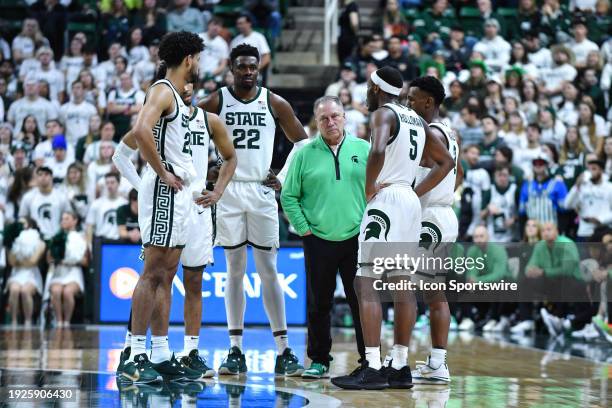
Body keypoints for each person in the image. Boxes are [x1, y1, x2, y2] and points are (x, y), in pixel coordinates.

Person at [331, 66, 453, 390]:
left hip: (387, 199)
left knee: (365, 282)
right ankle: (400, 365)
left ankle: (371, 365)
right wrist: (415, 191)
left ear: (374, 88)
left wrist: (370, 187)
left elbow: (378, 150)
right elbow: (447, 163)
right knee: (403, 285)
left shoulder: (384, 114)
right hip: (411, 203)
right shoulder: (416, 118)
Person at [114, 80, 236, 379]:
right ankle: (134, 348)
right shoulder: (158, 118)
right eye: (183, 82)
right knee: (156, 274)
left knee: (192, 281)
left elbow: (231, 157)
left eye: (192, 83)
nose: (187, 87)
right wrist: (143, 187)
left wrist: (217, 191)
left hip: (197, 206)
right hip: (166, 200)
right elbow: (120, 155)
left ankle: (189, 352)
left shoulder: (209, 120)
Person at [198, 43, 307, 377]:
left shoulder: (273, 101)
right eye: (242, 67)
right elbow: (189, 133)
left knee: (268, 269)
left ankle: (284, 349)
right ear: (231, 68)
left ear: (259, 69)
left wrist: (284, 176)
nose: (248, 72)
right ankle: (235, 350)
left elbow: (302, 142)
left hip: (260, 190)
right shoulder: (217, 100)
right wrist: (205, 172)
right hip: (228, 192)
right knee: (234, 270)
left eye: (253, 67)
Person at [117, 31, 205, 385]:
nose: (198, 65)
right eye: (197, 58)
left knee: (168, 275)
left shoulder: (179, 99)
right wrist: (162, 172)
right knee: (153, 273)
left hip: (179, 193)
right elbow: (140, 131)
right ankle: (135, 353)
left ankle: (159, 352)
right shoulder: (162, 90)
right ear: (187, 59)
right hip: (166, 192)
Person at [280, 96, 369, 379]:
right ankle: (319, 359)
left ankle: (369, 358)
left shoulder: (364, 149)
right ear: (316, 123)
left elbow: (377, 190)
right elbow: (288, 196)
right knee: (319, 303)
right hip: (317, 238)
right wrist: (304, 229)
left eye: (335, 116)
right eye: (323, 118)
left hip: (356, 238)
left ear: (344, 117)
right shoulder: (304, 154)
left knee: (361, 302)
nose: (330, 122)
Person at [406, 76, 462, 386]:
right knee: (432, 291)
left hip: (430, 219)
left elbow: (443, 164)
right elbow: (458, 172)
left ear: (429, 102)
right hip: (443, 215)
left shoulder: (429, 133)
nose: (408, 103)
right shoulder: (452, 133)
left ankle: (429, 362)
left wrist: (413, 195)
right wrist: (441, 196)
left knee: (425, 291)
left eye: (413, 99)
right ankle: (436, 362)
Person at [46, 211, 88, 327]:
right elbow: (48, 258)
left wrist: (73, 260)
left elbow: (86, 261)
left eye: (67, 218)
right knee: (56, 291)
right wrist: (56, 255)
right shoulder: (56, 237)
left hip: (74, 271)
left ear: (75, 221)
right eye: (62, 219)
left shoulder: (81, 237)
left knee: (67, 292)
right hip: (59, 271)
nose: (63, 221)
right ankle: (59, 321)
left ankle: (67, 322)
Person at [5, 218, 46, 327]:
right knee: (14, 290)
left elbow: (33, 261)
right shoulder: (12, 241)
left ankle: (28, 321)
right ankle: (13, 321)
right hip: (17, 273)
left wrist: (21, 262)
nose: (20, 225)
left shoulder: (40, 242)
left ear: (30, 225)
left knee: (25, 291)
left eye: (23, 223)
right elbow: (12, 262)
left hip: (32, 274)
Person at [18, 166, 71, 241]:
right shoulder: (28, 197)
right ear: (36, 178)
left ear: (51, 177)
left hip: (56, 237)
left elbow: (68, 217)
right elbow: (22, 217)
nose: (43, 177)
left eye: (46, 174)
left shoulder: (61, 197)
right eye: (40, 175)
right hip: (35, 238)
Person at [564, 159, 612, 241]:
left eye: (594, 169)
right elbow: (567, 205)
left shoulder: (609, 187)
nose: (591, 172)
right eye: (588, 169)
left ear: (601, 170)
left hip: (604, 232)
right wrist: (576, 186)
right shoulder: (581, 187)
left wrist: (600, 219)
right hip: (584, 231)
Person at [85, 172, 127, 246]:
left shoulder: (125, 204)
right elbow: (90, 226)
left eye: (112, 182)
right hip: (101, 242)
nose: (109, 185)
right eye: (107, 183)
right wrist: (89, 245)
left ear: (119, 183)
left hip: (120, 242)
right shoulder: (96, 203)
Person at [59, 80, 98, 146]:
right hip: (69, 143)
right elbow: (62, 128)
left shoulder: (91, 108)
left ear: (83, 90)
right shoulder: (63, 108)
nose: (75, 90)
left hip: (85, 142)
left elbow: (94, 128)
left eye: (78, 88)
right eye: (73, 88)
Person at [198, 17, 229, 82]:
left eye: (219, 26)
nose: (216, 28)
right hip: (197, 73)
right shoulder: (198, 38)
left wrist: (210, 75)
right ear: (208, 26)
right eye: (214, 24)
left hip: (214, 77)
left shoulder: (223, 43)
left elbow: (223, 64)